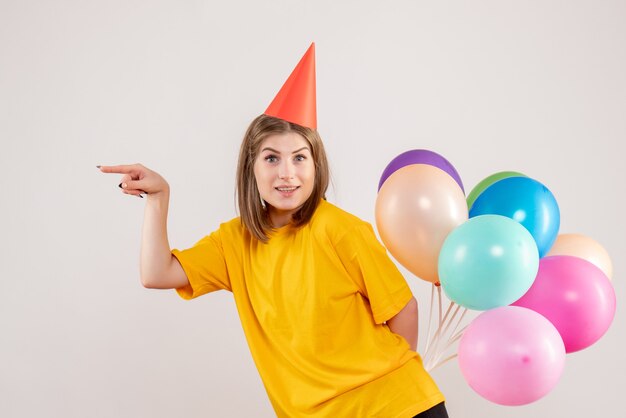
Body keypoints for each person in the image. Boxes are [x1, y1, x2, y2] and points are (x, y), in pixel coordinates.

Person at [99, 43, 448, 418]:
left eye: (299, 157)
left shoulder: (340, 230)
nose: (287, 173)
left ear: (316, 166)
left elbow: (403, 309)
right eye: (271, 158)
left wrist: (390, 383)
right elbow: (156, 273)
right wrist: (159, 199)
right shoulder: (235, 242)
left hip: (395, 406)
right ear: (251, 166)